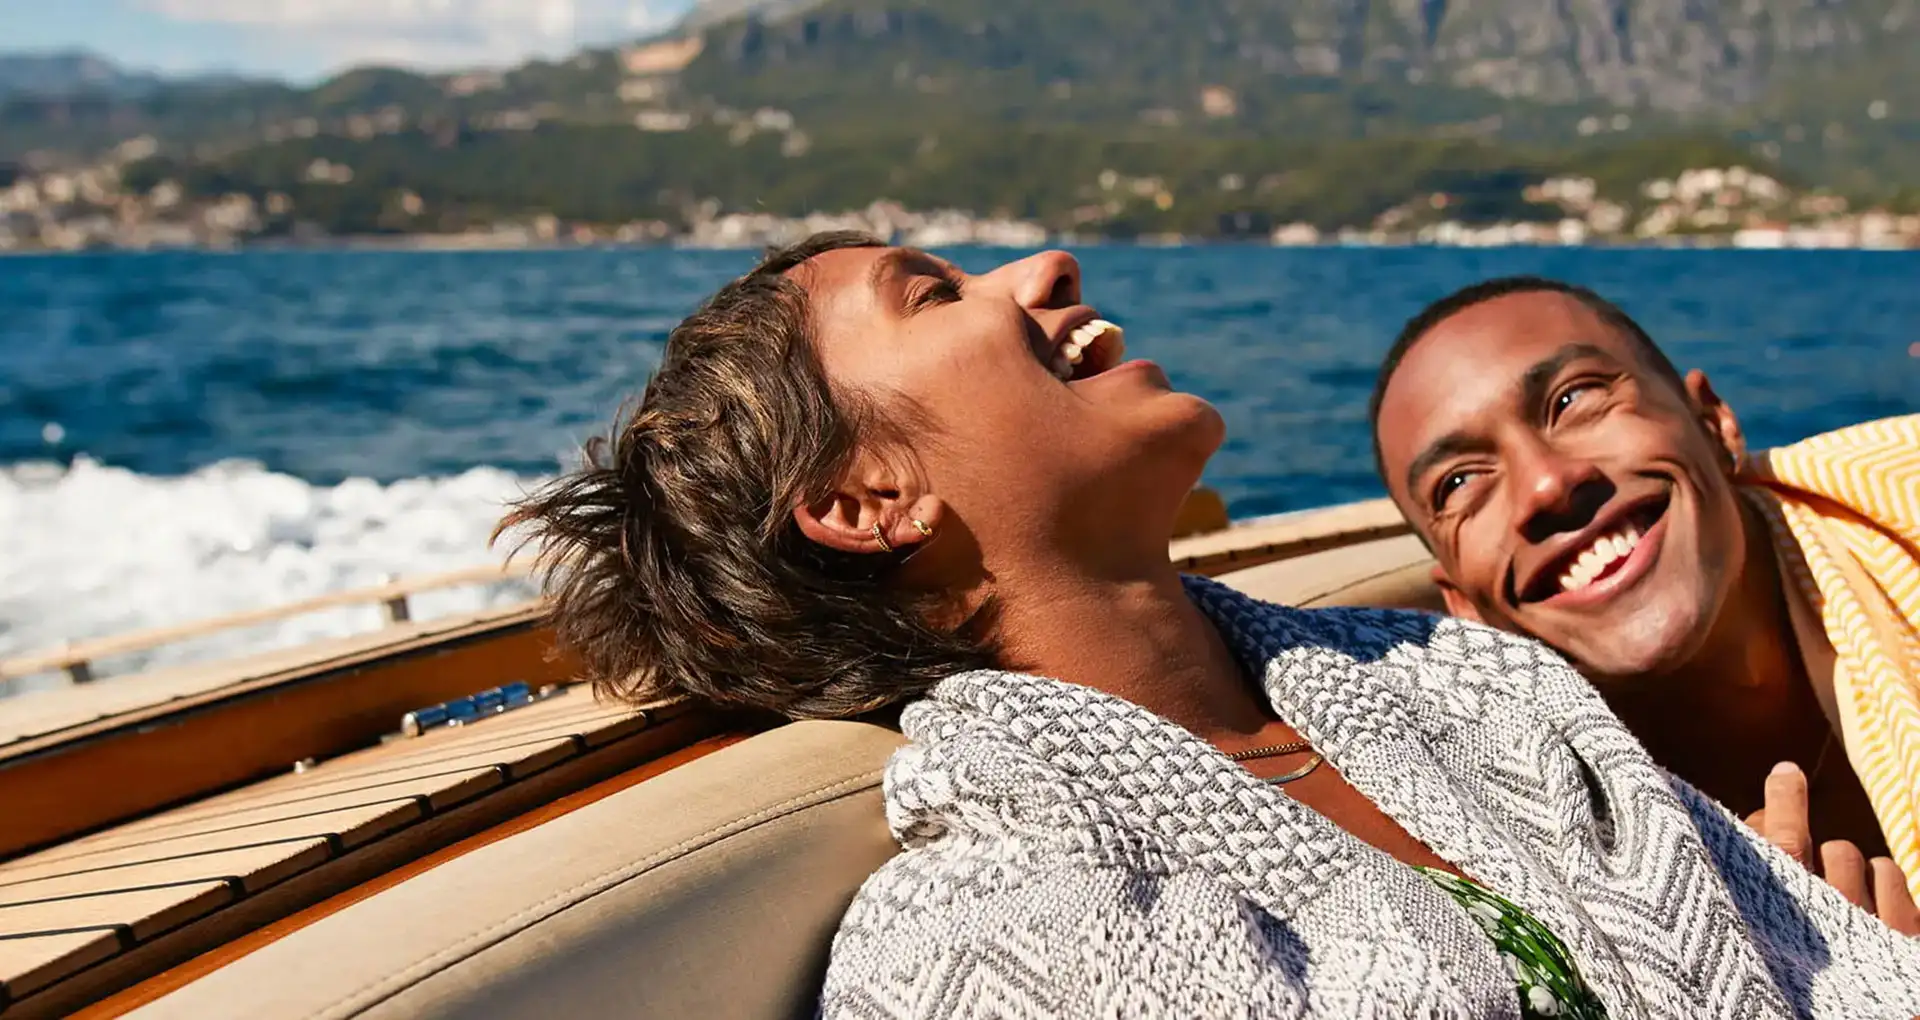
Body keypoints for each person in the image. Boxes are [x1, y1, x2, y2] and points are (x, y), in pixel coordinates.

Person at [503, 234, 1920, 1018]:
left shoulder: (1483, 690)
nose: (1045, 270)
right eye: (933, 292)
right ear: (866, 499)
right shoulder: (979, 941)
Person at [1367, 275, 1920, 927]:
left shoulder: (1897, 504)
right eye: (1459, 481)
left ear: (1713, 423)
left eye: (1574, 399)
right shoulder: (1504, 850)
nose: (1545, 484)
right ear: (1463, 604)